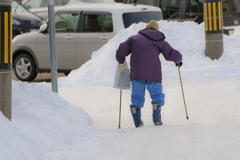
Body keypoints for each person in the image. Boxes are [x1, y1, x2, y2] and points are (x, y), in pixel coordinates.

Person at [116, 20, 182, 127]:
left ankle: (137, 121)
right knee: (157, 95)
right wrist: (178, 61)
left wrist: (120, 59)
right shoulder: (160, 41)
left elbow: (122, 48)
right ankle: (157, 119)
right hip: (154, 73)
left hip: (137, 73)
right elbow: (171, 54)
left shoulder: (134, 38)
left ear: (145, 29)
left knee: (136, 96)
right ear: (157, 30)